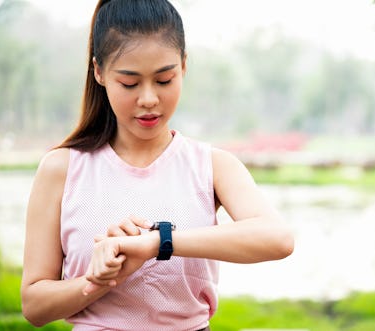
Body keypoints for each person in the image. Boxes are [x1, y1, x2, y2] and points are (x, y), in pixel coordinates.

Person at [20, 0, 294, 330]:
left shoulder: (212, 165)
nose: (149, 99)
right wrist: (100, 279)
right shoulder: (62, 169)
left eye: (164, 80)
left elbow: (277, 239)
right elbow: (34, 306)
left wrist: (157, 243)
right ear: (99, 72)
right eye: (129, 83)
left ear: (184, 66)